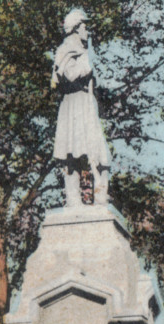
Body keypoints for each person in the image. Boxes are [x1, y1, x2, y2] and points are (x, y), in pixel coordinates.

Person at [51, 8, 111, 206]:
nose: (88, 30)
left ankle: (101, 195)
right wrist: (88, 62)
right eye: (85, 25)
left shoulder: (86, 51)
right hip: (73, 103)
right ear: (76, 28)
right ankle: (73, 198)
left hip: (87, 103)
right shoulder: (66, 49)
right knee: (71, 153)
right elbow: (69, 75)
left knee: (100, 153)